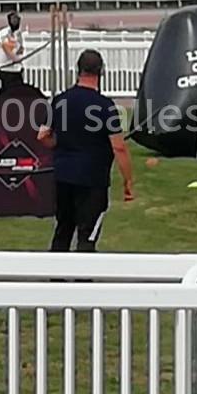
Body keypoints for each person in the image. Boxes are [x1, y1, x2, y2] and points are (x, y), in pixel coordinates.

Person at [37, 49, 134, 252]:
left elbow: (46, 138)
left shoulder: (60, 101)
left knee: (63, 229)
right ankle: (84, 280)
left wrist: (53, 142)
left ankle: (55, 278)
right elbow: (118, 146)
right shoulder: (105, 106)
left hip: (63, 176)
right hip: (92, 179)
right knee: (87, 235)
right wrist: (127, 181)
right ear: (102, 72)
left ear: (77, 71)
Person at [0, 11, 26, 90]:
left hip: (16, 69)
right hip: (5, 69)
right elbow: (6, 48)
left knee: (18, 92)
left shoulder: (19, 34)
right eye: (14, 19)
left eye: (18, 19)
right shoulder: (4, 33)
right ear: (9, 20)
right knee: (7, 92)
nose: (16, 21)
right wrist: (15, 56)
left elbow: (20, 50)